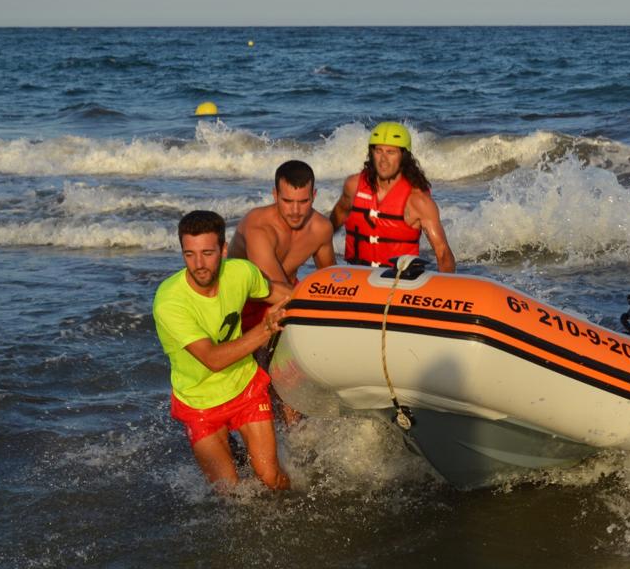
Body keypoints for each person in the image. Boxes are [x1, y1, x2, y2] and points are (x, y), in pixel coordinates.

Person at [154, 210, 292, 491]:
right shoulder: (169, 301)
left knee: (271, 478)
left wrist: (328, 299)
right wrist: (265, 329)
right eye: (189, 254)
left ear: (224, 249)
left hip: (245, 388)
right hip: (199, 403)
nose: (199, 264)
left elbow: (281, 294)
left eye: (207, 253)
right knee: (230, 492)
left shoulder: (240, 272)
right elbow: (212, 359)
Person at [329, 121, 456, 272]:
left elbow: (442, 253)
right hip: (358, 277)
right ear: (371, 153)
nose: (383, 160)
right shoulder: (353, 186)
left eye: (391, 152)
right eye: (378, 151)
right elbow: (326, 231)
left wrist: (442, 291)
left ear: (403, 156)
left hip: (398, 280)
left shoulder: (418, 201)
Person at [228, 160, 336, 335]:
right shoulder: (258, 226)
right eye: (287, 201)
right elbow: (274, 291)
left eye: (303, 201)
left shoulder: (321, 228)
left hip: (291, 291)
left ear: (314, 196)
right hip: (246, 302)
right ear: (275, 194)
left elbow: (331, 280)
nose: (295, 210)